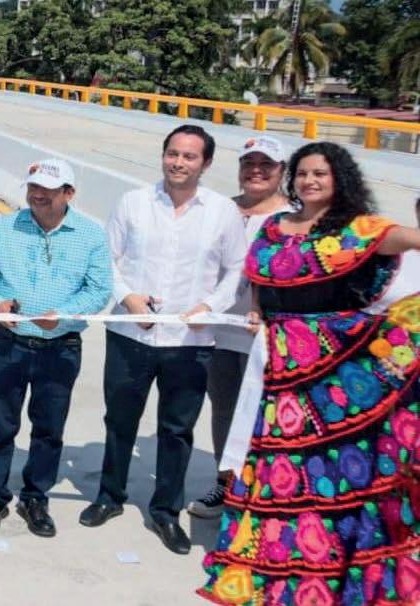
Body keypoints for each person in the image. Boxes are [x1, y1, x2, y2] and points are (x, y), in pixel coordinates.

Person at [198, 142, 420, 605]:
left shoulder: (358, 229)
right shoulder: (274, 227)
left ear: (339, 178)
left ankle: (334, 564)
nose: (309, 181)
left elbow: (408, 239)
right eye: (302, 173)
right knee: (279, 465)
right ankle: (279, 562)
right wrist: (258, 309)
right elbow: (259, 279)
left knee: (336, 467)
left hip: (337, 371)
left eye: (320, 173)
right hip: (280, 368)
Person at [80, 125, 249, 555]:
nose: (178, 162)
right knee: (120, 420)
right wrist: (128, 298)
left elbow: (237, 270)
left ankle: (165, 511)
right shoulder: (133, 202)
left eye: (189, 156)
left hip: (191, 340)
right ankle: (109, 496)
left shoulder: (223, 213)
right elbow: (106, 260)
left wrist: (209, 306)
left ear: (206, 163)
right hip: (130, 333)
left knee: (177, 429)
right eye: (172, 153)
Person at [0, 158, 112, 537]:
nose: (37, 195)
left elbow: (99, 290)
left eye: (48, 190)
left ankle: (35, 497)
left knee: (49, 428)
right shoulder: (5, 227)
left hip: (60, 347)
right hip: (9, 343)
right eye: (33, 188)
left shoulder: (90, 235)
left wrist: (64, 316)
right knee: (0, 423)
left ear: (69, 193)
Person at [187, 135, 290, 519]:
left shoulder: (293, 217)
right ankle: (226, 485)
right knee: (225, 409)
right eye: (249, 163)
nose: (256, 171)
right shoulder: (220, 210)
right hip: (218, 331)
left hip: (267, 336)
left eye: (266, 164)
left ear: (282, 171)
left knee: (270, 417)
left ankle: (265, 493)